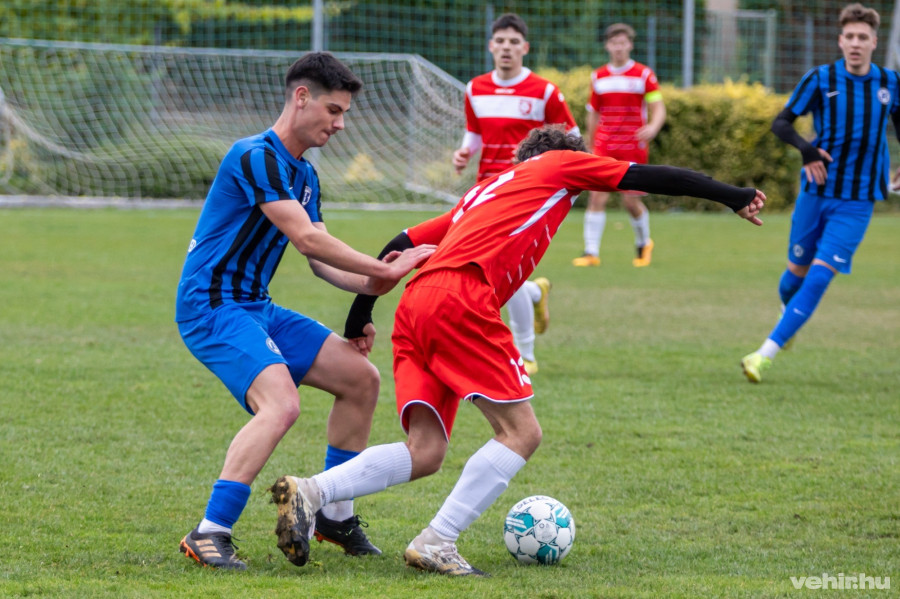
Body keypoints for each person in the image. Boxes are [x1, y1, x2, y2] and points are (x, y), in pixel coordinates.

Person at [270, 125, 766, 577]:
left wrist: (360, 315)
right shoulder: (558, 166)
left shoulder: (483, 193)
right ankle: (438, 540)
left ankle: (313, 491)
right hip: (462, 299)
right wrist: (733, 195)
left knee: (426, 452)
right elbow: (651, 175)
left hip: (416, 305)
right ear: (564, 159)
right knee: (521, 432)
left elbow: (400, 242)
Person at [174, 52, 435, 570]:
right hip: (212, 307)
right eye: (333, 111)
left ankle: (336, 517)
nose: (340, 124)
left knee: (361, 378)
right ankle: (210, 531)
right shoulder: (253, 155)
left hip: (257, 308)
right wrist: (383, 271)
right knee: (282, 405)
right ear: (301, 97)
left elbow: (316, 258)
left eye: (344, 114)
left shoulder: (306, 175)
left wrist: (369, 285)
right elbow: (307, 235)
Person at [740, 3, 900, 383]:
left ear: (874, 42)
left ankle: (763, 354)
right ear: (840, 40)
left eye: (864, 37)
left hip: (858, 200)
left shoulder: (889, 82)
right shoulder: (820, 79)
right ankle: (787, 316)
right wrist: (807, 150)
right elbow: (781, 123)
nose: (856, 43)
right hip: (816, 192)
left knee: (818, 276)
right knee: (794, 276)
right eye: (850, 37)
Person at [452, 12, 580, 375]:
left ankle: (525, 352)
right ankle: (537, 297)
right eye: (500, 41)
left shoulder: (544, 92)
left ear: (525, 48)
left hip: (528, 194)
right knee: (498, 270)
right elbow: (474, 133)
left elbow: (573, 139)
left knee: (505, 270)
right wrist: (464, 153)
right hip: (487, 191)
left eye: (514, 42)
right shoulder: (475, 88)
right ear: (491, 46)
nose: (506, 48)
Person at [573, 22, 666, 268]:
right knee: (596, 197)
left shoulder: (643, 74)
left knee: (630, 201)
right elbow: (593, 113)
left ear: (630, 45)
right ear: (607, 45)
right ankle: (590, 252)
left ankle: (643, 243)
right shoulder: (599, 76)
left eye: (623, 43)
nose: (618, 48)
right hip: (605, 147)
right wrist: (591, 144)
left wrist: (653, 127)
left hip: (632, 147)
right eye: (614, 43)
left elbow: (658, 106)